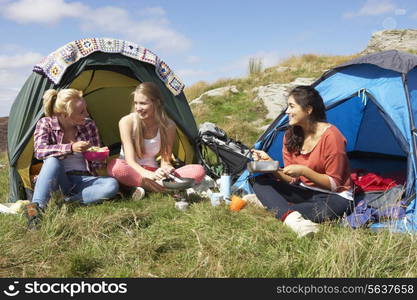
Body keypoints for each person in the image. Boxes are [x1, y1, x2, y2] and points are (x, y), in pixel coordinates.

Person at [251, 86, 353, 237]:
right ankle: (292, 219)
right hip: (304, 191)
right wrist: (271, 165)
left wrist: (304, 171)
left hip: (335, 196)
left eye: (292, 106)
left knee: (304, 210)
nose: (287, 112)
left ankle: (279, 208)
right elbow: (292, 180)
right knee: (260, 182)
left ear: (308, 109)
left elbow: (334, 184)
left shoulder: (332, 136)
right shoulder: (290, 135)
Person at [25, 88, 119, 229]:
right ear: (64, 114)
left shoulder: (89, 125)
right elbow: (39, 151)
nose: (87, 115)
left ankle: (64, 202)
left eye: (86, 110)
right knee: (52, 161)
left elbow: (97, 163)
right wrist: (70, 148)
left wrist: (99, 156)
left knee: (111, 185)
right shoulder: (45, 123)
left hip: (83, 179)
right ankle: (34, 210)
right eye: (81, 112)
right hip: (57, 180)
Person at [107, 82, 205, 199]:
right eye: (136, 103)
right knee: (115, 166)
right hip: (131, 170)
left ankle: (138, 188)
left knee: (199, 170)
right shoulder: (126, 122)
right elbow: (130, 161)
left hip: (154, 171)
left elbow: (165, 159)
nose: (138, 108)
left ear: (156, 103)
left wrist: (166, 168)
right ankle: (156, 186)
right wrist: (150, 176)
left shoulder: (168, 125)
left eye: (143, 103)